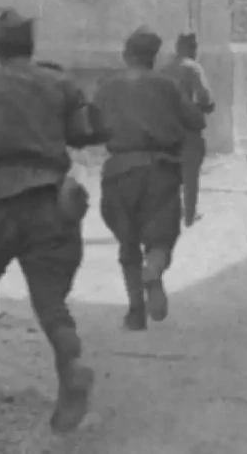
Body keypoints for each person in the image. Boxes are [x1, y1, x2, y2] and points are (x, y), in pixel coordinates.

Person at [0, 10, 95, 434]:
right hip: (51, 203)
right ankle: (73, 369)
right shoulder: (61, 83)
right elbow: (80, 133)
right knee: (51, 302)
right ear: (31, 47)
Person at [92, 27, 206, 331]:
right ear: (153, 57)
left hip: (118, 171)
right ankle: (153, 269)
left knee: (127, 243)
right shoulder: (167, 86)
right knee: (160, 239)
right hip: (160, 170)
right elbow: (196, 120)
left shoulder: (106, 86)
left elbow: (89, 127)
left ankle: (135, 311)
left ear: (126, 54)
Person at [161, 32, 215, 228]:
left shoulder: (165, 69)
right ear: (191, 47)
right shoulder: (193, 68)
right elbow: (205, 97)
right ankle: (190, 214)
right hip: (188, 128)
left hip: (166, 129)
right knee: (191, 174)